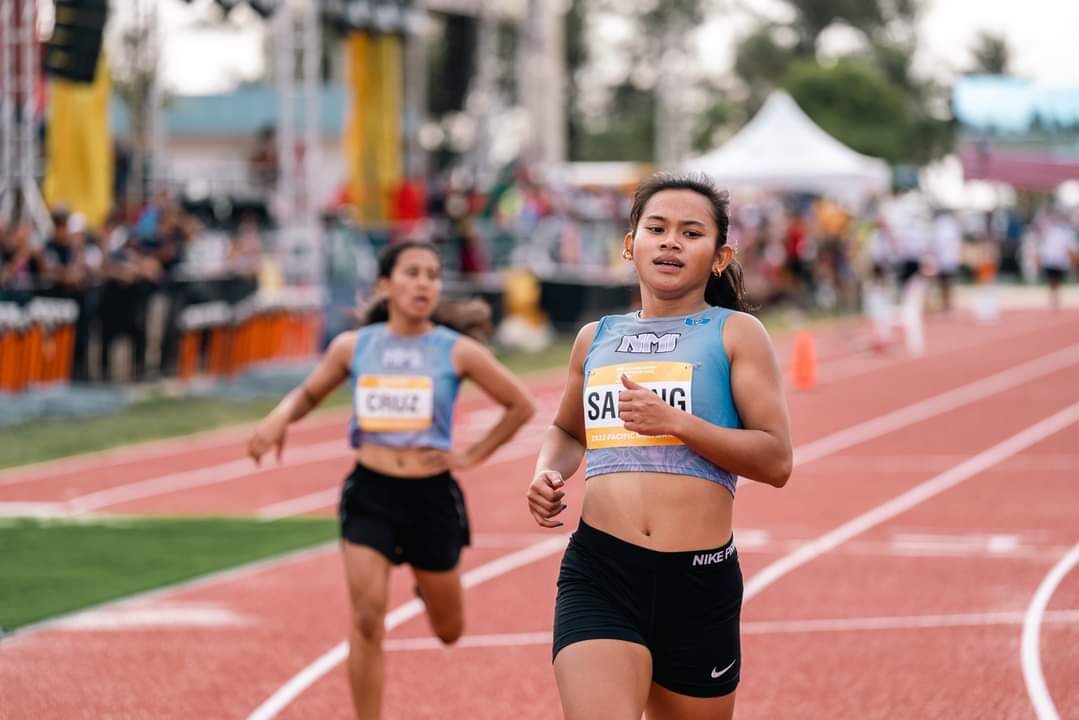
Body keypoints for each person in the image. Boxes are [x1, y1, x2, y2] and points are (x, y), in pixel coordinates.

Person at [527, 173, 792, 720]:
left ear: (719, 257)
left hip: (698, 578)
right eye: (657, 228)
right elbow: (568, 432)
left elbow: (776, 460)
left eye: (691, 233)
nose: (671, 241)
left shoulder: (736, 334)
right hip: (601, 570)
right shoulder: (594, 338)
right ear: (630, 244)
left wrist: (678, 422)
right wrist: (546, 473)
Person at [247, 240, 535, 720]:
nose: (424, 283)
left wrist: (469, 457)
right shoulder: (354, 347)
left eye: (432, 275)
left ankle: (429, 587)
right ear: (385, 285)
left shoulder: (456, 351)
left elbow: (521, 404)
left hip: (430, 498)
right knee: (366, 618)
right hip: (371, 493)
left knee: (449, 630)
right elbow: (309, 393)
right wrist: (279, 418)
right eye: (412, 273)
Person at [1039, 211, 1078, 312]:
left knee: (1056, 281)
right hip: (1051, 260)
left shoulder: (1066, 233)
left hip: (1059, 261)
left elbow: (1069, 248)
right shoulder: (1050, 232)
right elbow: (1046, 247)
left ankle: (1055, 298)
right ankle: (1053, 299)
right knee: (1052, 281)